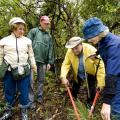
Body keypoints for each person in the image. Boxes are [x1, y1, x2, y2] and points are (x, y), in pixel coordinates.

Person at [83, 17, 120, 120]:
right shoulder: (103, 39)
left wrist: (106, 103)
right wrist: (96, 54)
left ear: (98, 33)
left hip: (116, 78)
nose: (89, 40)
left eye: (90, 37)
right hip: (114, 75)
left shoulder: (114, 45)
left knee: (116, 110)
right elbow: (103, 47)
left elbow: (112, 76)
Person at [0, 17, 37, 120]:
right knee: (9, 91)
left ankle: (24, 111)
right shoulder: (4, 41)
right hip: (9, 71)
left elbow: (31, 55)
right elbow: (0, 55)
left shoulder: (27, 41)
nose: (22, 31)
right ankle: (8, 111)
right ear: (13, 28)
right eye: (20, 29)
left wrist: (34, 66)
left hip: (24, 70)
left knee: (24, 91)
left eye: (23, 29)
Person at [60, 36, 105, 107]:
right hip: (78, 72)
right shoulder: (70, 52)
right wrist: (63, 76)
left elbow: (100, 65)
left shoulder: (91, 50)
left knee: (91, 88)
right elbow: (66, 64)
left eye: (76, 48)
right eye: (72, 49)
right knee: (75, 86)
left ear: (81, 44)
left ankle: (89, 104)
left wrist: (101, 82)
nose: (74, 50)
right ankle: (73, 98)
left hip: (90, 72)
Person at [27, 15, 54, 106]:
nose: (47, 25)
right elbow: (26, 44)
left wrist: (49, 62)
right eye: (45, 23)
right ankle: (30, 100)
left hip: (43, 61)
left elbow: (50, 49)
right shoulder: (33, 31)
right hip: (31, 60)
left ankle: (39, 96)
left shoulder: (49, 36)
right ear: (41, 22)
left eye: (48, 24)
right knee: (30, 80)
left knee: (41, 80)